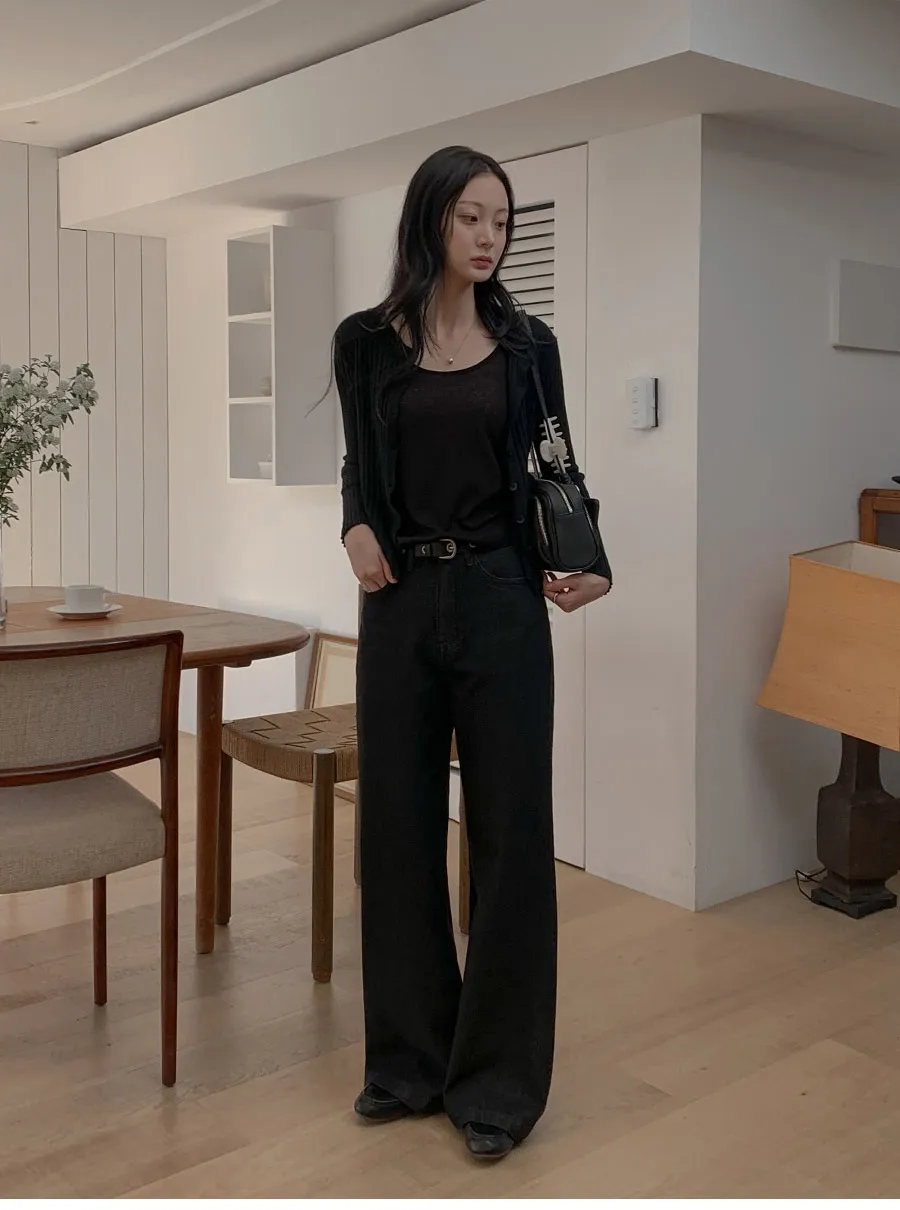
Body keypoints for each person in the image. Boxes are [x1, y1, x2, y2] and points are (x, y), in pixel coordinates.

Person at [333, 145, 611, 1161]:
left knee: (509, 834)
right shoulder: (366, 343)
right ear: (431, 221)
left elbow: (557, 461)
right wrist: (355, 527)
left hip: (501, 599)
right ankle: (408, 1063)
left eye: (501, 220)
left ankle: (496, 1084)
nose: (490, 236)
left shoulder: (529, 344)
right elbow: (361, 465)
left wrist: (590, 557)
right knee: (396, 832)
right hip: (400, 602)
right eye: (472, 218)